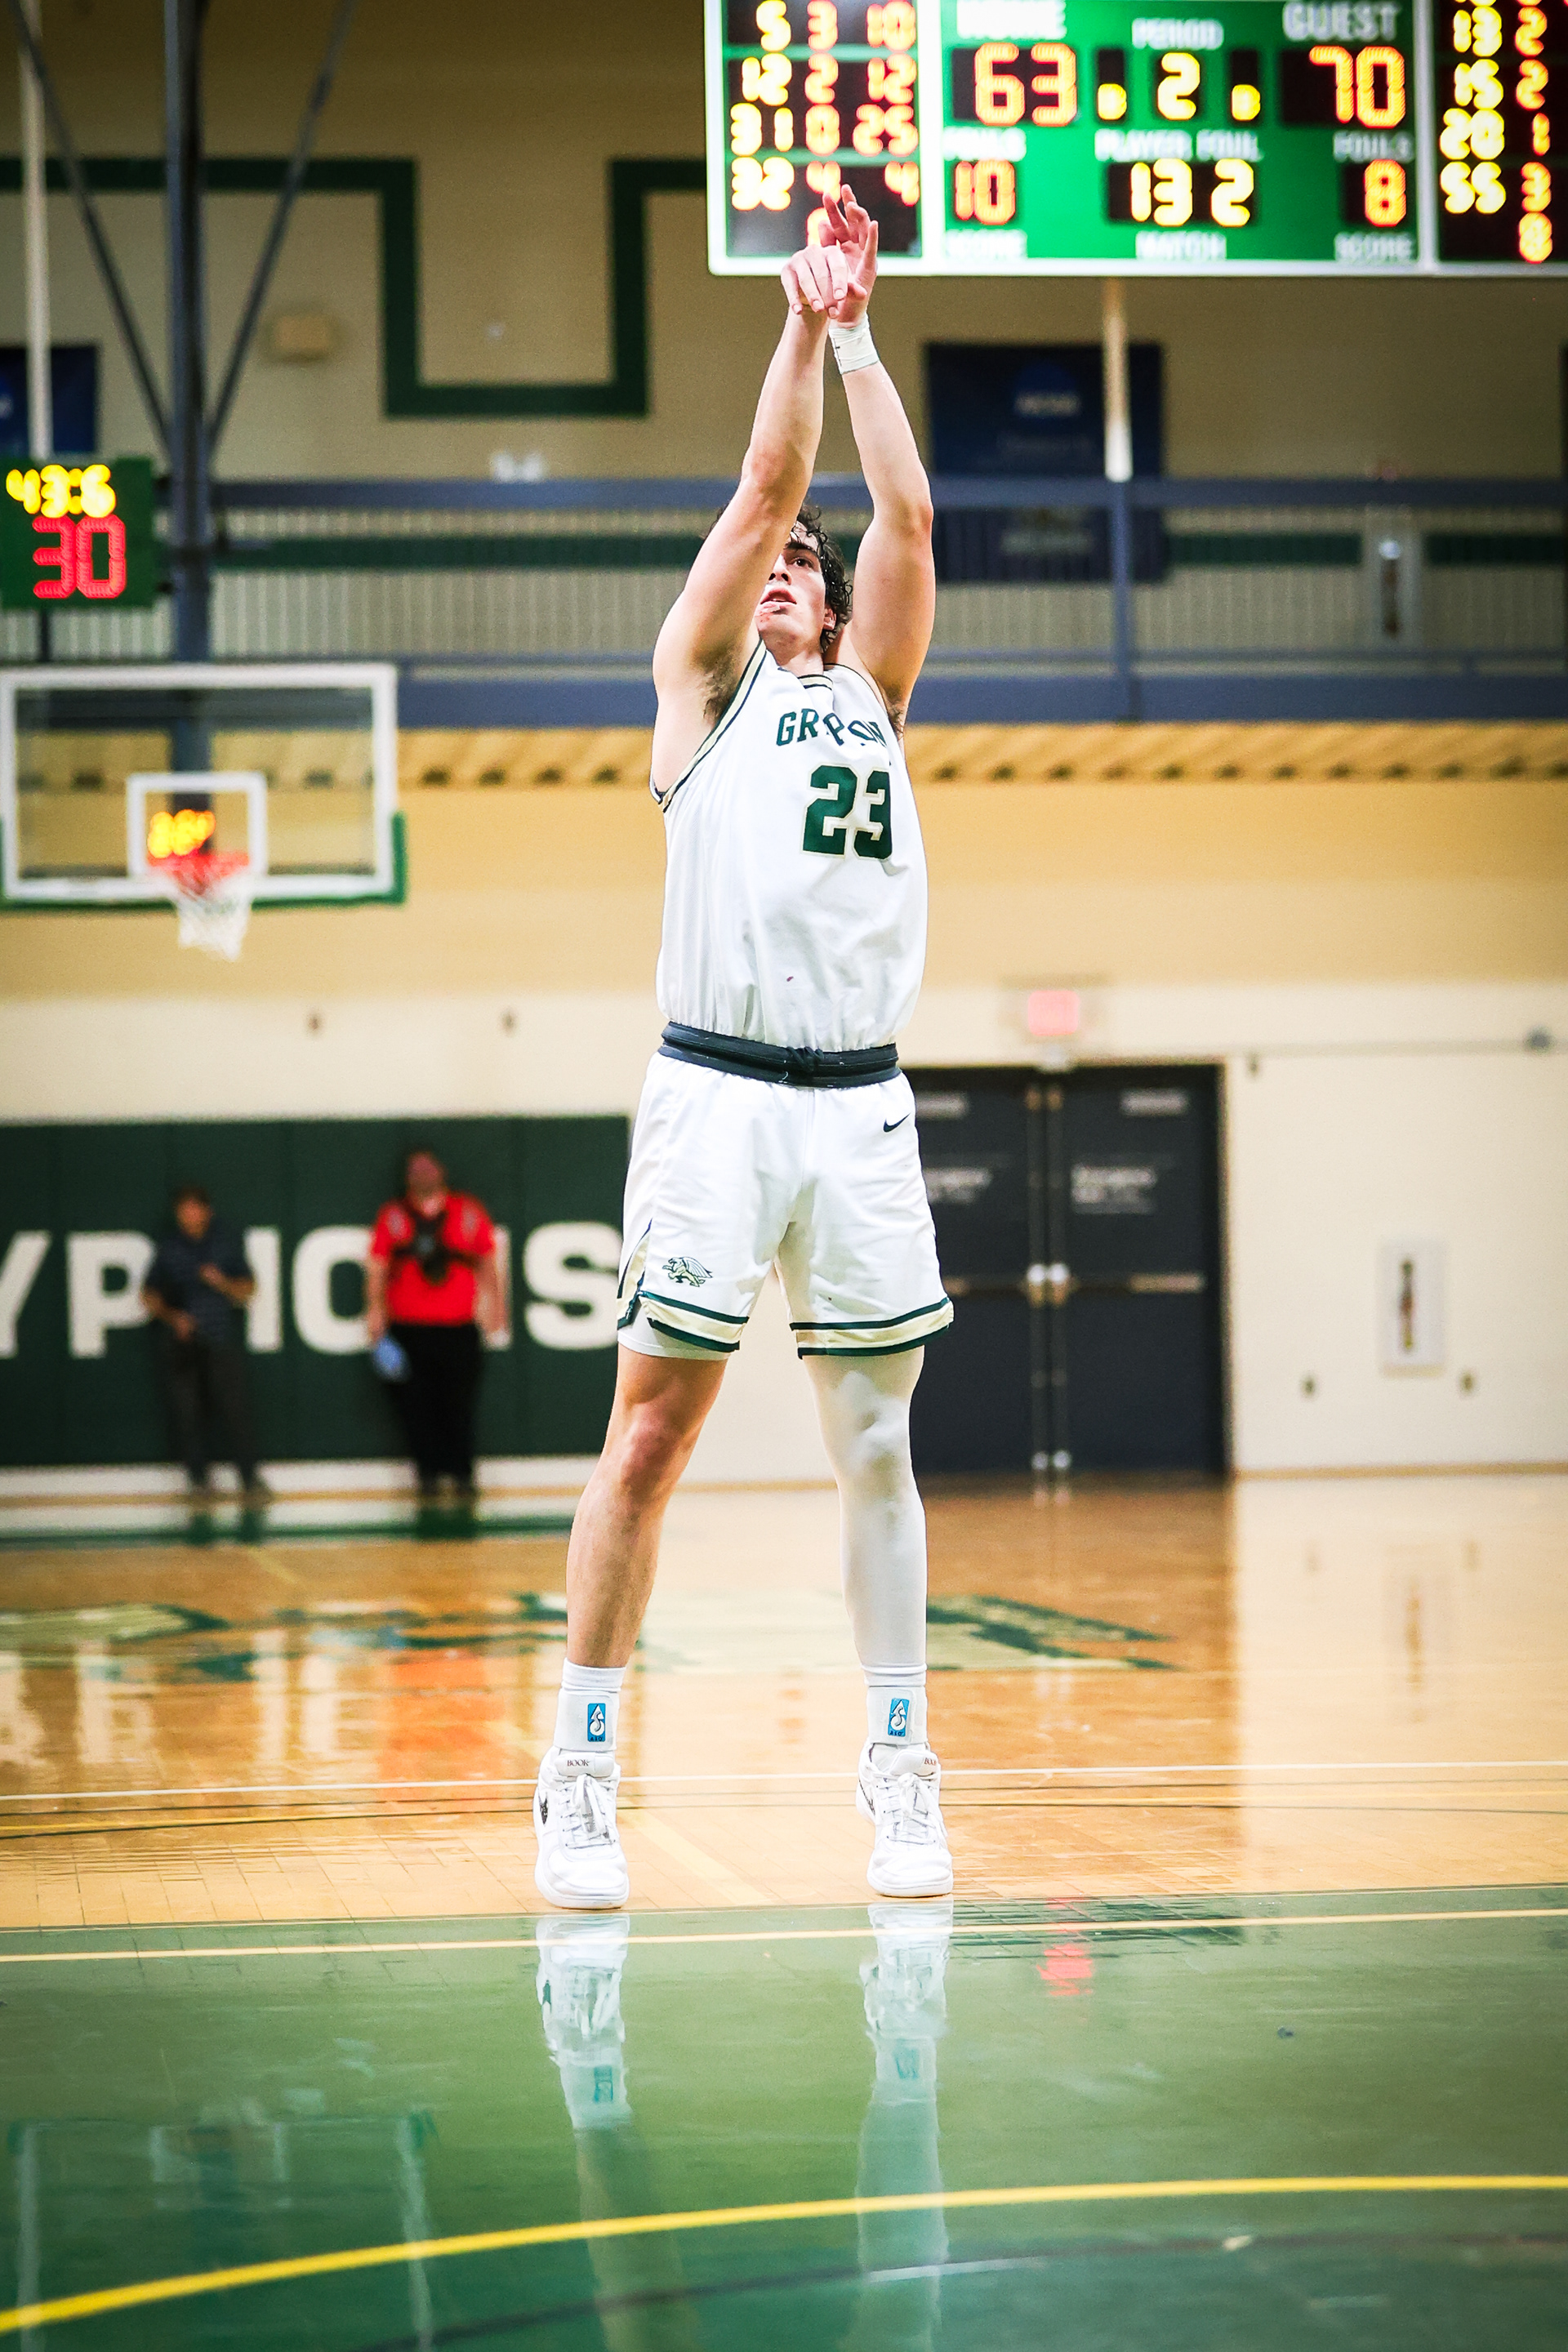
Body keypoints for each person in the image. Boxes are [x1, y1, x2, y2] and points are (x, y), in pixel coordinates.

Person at [534, 189, 953, 1911]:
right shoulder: (700, 693)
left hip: (857, 1107)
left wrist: (865, 335)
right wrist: (800, 314)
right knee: (649, 1440)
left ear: (836, 614)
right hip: (713, 1091)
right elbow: (771, 491)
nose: (781, 567)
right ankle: (579, 1767)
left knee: (878, 1447)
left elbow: (903, 510)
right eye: (764, 565)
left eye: (803, 571)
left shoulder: (875, 693)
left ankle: (903, 1765)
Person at [365, 1147, 503, 1498]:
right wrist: (375, 1311)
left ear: (441, 1171)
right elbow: (378, 1265)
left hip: (458, 1325)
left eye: (429, 1169)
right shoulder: (393, 1216)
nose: (423, 1175)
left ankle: (462, 1474)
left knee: (459, 1404)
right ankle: (426, 1475)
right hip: (409, 1327)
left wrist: (495, 1304)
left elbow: (487, 1259)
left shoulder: (468, 1212)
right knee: (416, 1407)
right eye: (416, 1170)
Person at [141, 1185, 266, 1501]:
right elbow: (148, 1294)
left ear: (207, 1211)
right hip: (183, 1344)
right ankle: (199, 1481)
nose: (189, 1215)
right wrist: (173, 1318)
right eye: (184, 1209)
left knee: (236, 1411)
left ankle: (250, 1480)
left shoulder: (224, 1245)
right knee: (187, 1414)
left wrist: (221, 1282)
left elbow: (248, 1289)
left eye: (195, 1208)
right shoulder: (169, 1249)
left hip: (220, 1339)